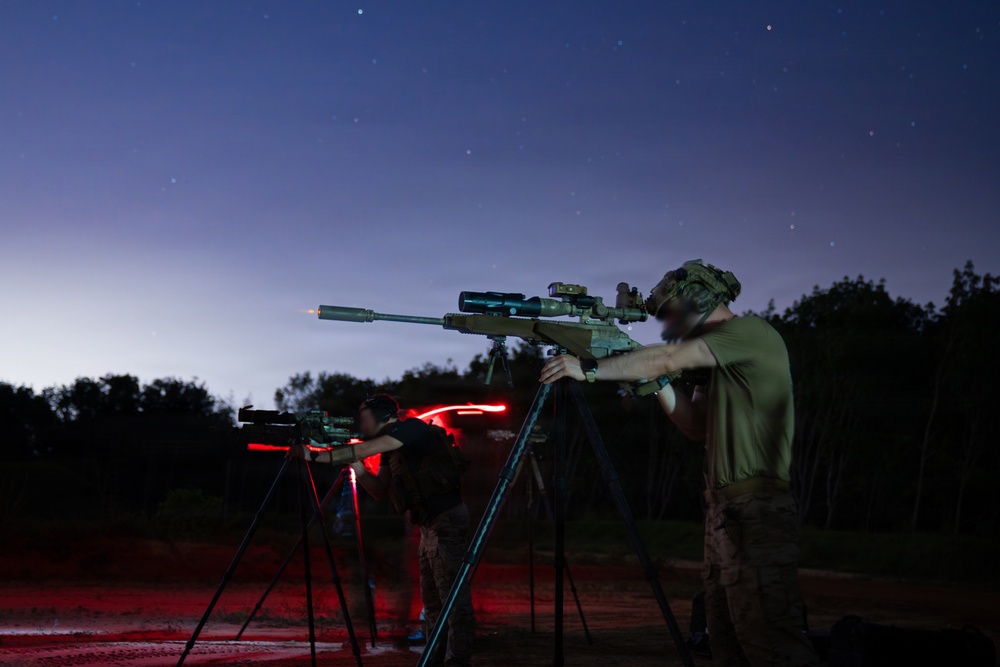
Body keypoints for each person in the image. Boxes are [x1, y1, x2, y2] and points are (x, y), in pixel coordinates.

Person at [540, 259, 820, 667]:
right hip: (726, 512)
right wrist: (650, 380)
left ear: (696, 300)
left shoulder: (747, 332)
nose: (667, 324)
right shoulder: (717, 359)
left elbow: (667, 359)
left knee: (770, 641)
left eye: (670, 312)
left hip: (756, 508)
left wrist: (590, 370)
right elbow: (693, 425)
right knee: (726, 640)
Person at [289, 394, 474, 667]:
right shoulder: (391, 447)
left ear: (382, 415)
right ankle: (435, 655)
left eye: (364, 417)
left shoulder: (410, 428)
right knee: (433, 601)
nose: (360, 424)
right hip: (428, 526)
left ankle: (458, 660)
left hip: (446, 522)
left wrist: (313, 455)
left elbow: (365, 449)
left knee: (453, 599)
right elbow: (378, 490)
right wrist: (354, 464)